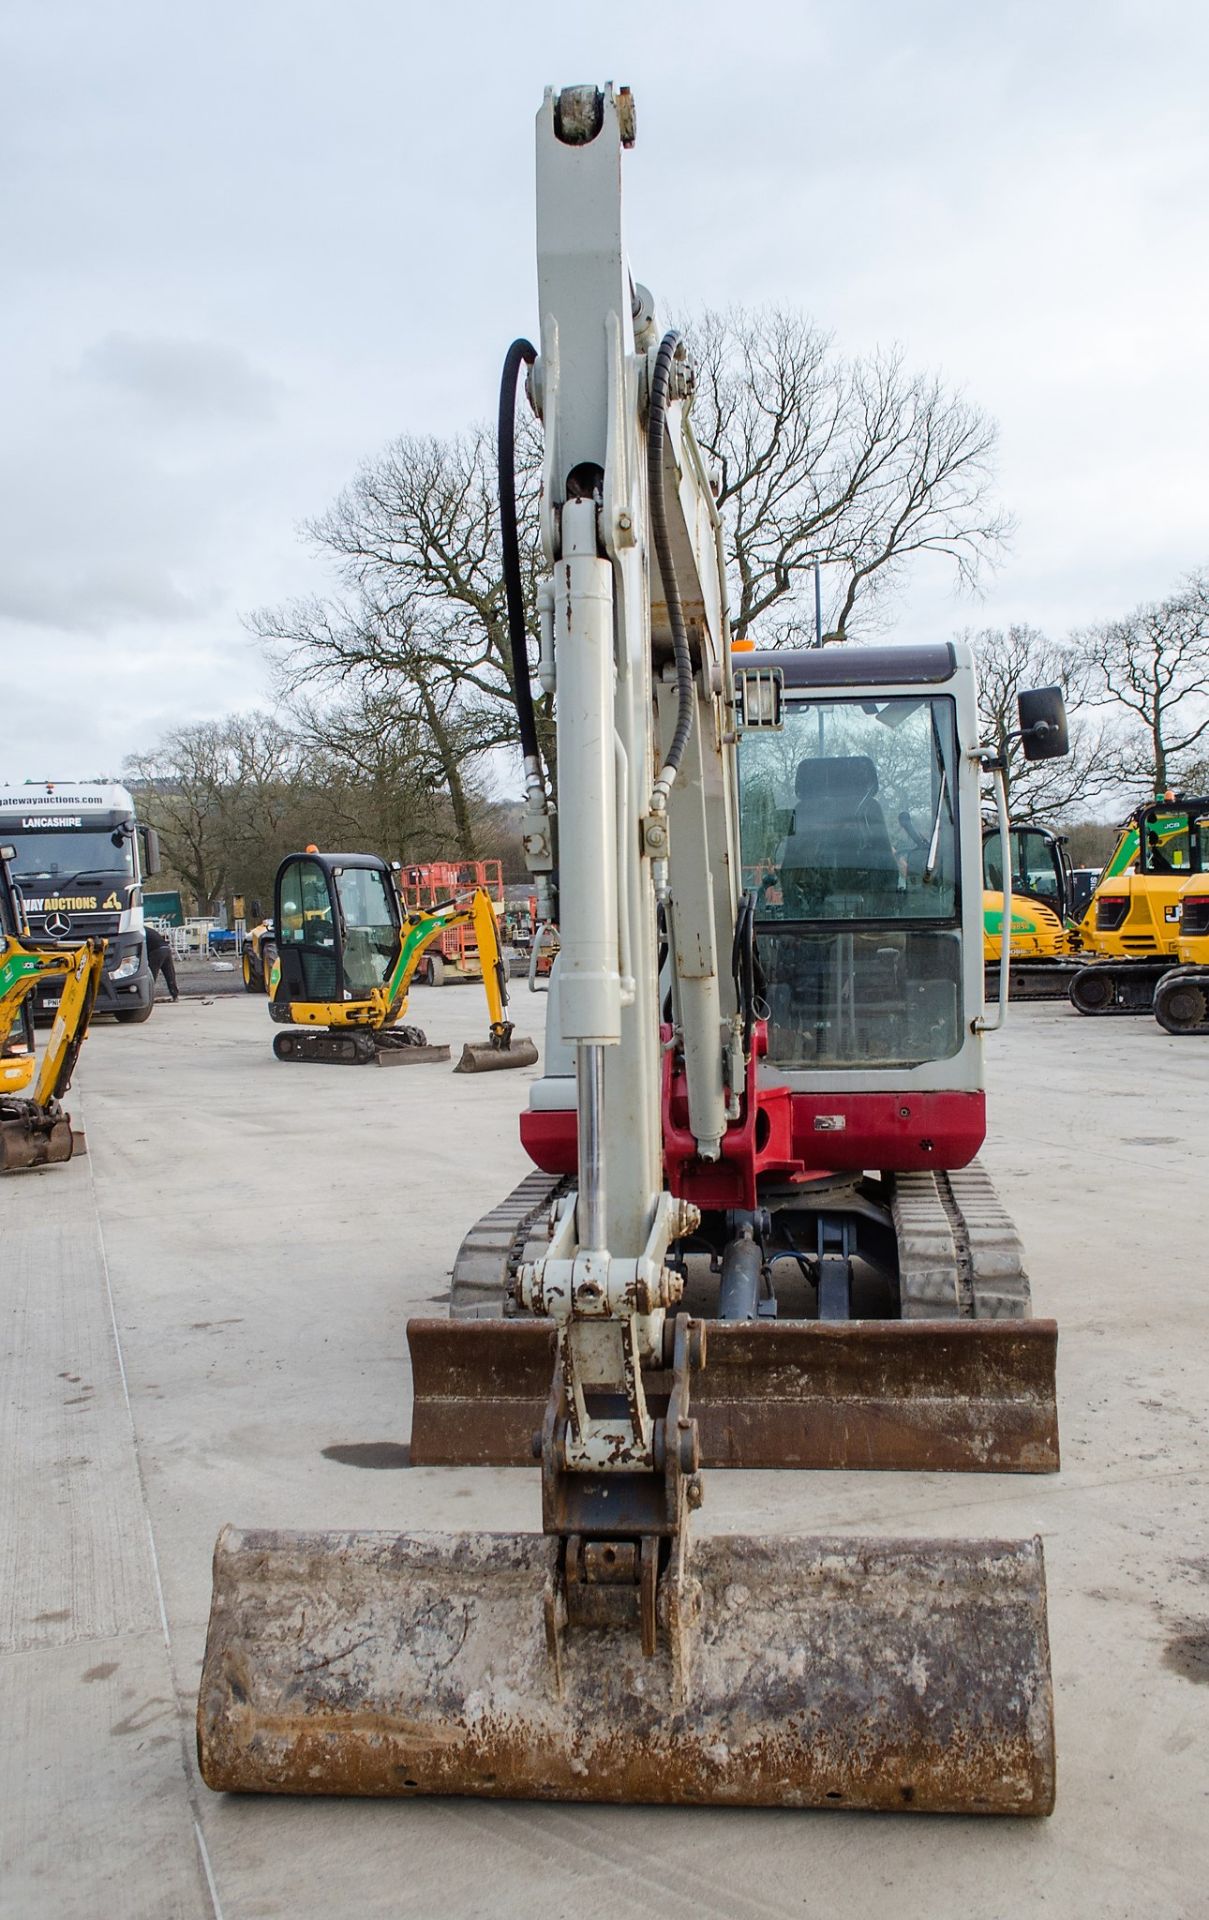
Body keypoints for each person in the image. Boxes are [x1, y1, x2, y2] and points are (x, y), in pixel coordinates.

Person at [145, 925, 180, 1002]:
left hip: (156, 951)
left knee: (151, 975)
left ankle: (148, 997)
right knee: (169, 973)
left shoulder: (140, 932)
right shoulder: (148, 930)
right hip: (166, 949)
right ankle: (175, 995)